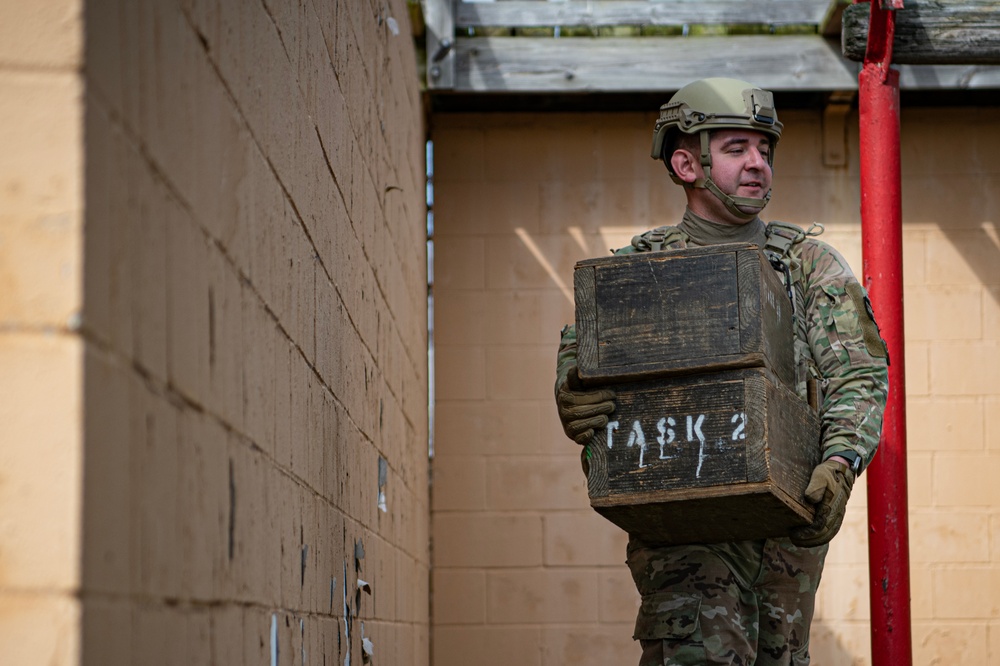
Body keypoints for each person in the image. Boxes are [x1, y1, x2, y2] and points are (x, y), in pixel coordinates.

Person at [554, 78, 889, 665]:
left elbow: (858, 376)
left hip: (787, 531)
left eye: (765, 149)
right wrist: (573, 396)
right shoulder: (635, 274)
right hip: (683, 533)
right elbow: (581, 374)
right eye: (737, 149)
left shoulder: (808, 265)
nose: (758, 164)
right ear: (687, 163)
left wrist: (840, 465)